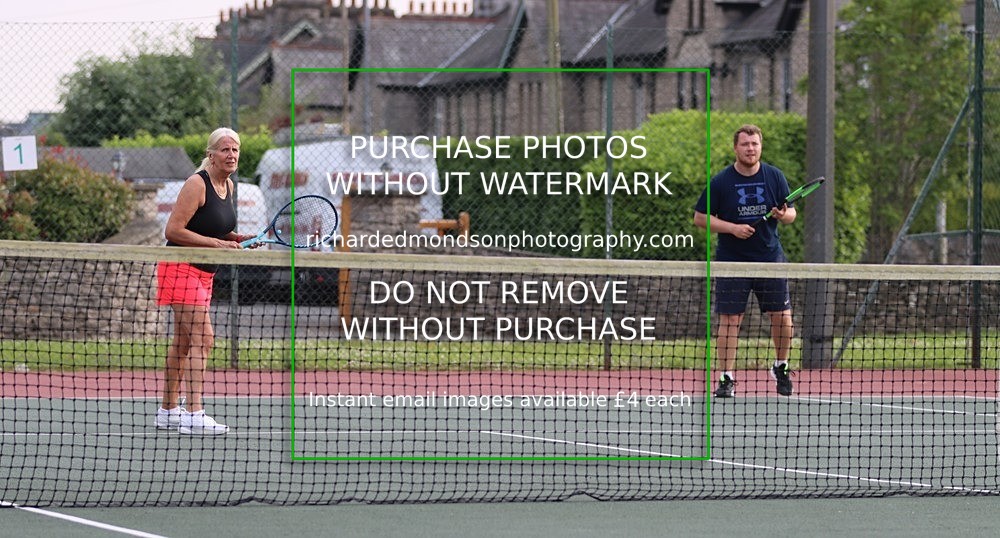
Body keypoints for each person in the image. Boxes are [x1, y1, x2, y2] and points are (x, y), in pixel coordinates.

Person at [153, 127, 255, 434]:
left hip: (205, 274)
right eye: (224, 150)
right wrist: (218, 245)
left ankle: (168, 411)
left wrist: (235, 237)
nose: (231, 155)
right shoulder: (196, 184)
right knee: (204, 338)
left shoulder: (230, 187)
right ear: (210, 154)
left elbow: (213, 228)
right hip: (179, 267)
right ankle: (195, 414)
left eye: (235, 149)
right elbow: (173, 231)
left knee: (184, 342)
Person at [693, 124, 796, 398]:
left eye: (755, 144)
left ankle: (781, 366)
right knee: (730, 320)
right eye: (745, 144)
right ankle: (726, 378)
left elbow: (791, 214)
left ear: (760, 147)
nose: (750, 149)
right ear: (735, 148)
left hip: (769, 258)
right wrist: (733, 228)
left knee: (783, 318)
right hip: (732, 261)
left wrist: (781, 215)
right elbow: (700, 218)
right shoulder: (720, 182)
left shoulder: (774, 177)